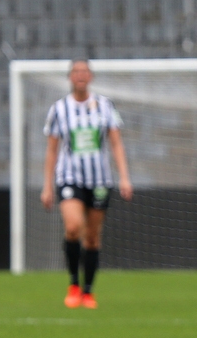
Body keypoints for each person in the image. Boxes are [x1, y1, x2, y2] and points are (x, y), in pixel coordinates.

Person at [41, 59, 132, 309]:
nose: (80, 75)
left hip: (99, 179)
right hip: (69, 176)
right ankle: (73, 284)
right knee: (73, 227)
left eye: (84, 71)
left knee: (92, 237)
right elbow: (51, 151)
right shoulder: (59, 109)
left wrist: (124, 177)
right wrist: (47, 186)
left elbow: (115, 143)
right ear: (70, 77)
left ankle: (88, 291)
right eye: (76, 71)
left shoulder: (104, 106)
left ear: (90, 76)